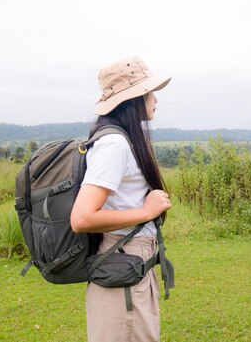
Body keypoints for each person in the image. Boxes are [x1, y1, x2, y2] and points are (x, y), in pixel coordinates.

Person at [71, 56, 172, 342]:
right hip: (124, 264)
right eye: (150, 91)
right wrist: (145, 211)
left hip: (130, 264)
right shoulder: (114, 145)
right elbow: (82, 218)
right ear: (135, 98)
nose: (155, 98)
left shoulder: (121, 140)